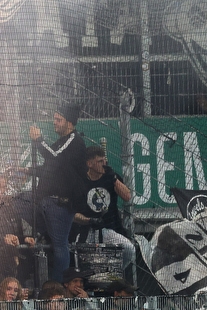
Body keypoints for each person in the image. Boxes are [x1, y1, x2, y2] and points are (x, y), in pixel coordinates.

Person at [29, 103, 87, 282]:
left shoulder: (73, 140)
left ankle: (59, 285)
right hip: (48, 201)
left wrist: (39, 140)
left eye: (58, 119)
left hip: (60, 203)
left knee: (61, 245)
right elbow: (49, 167)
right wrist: (26, 171)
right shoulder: (61, 141)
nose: (54, 122)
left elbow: (54, 156)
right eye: (54, 119)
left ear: (69, 123)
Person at [72, 145, 136, 279]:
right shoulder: (80, 181)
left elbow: (127, 196)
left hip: (108, 229)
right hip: (87, 230)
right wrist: (89, 220)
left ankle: (111, 275)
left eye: (104, 160)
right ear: (90, 163)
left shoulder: (110, 176)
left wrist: (113, 178)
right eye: (100, 161)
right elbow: (73, 214)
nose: (104, 163)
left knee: (129, 249)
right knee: (84, 265)